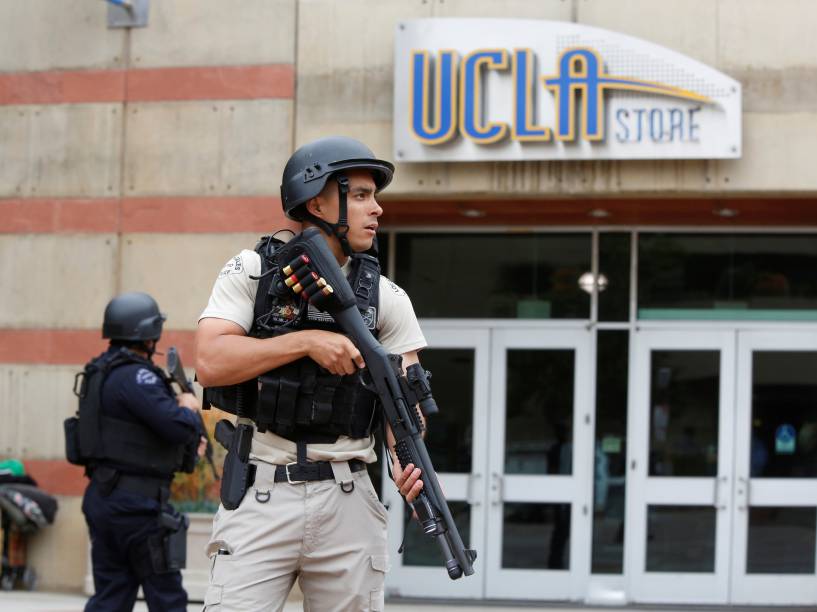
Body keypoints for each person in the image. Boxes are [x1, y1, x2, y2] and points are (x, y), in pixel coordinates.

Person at [196, 136, 427, 611]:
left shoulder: (388, 297)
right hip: (261, 492)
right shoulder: (251, 271)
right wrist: (305, 342)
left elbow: (404, 403)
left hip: (349, 497)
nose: (377, 209)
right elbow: (211, 360)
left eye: (374, 196)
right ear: (316, 199)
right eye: (361, 195)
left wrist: (406, 453)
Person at [72, 292, 206, 612]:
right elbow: (177, 426)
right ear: (148, 334)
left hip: (104, 498)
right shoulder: (137, 375)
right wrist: (189, 407)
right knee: (167, 600)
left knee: (111, 597)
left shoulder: (101, 371)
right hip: (138, 508)